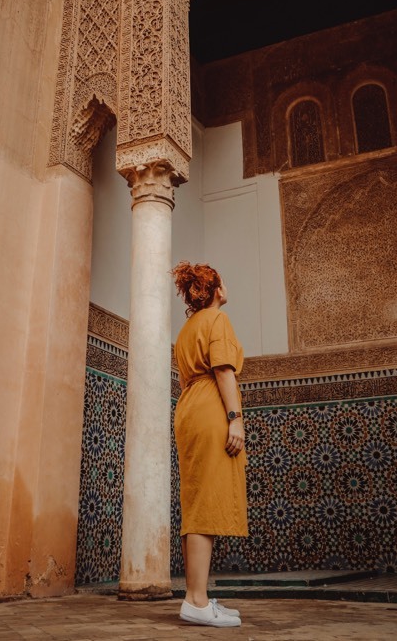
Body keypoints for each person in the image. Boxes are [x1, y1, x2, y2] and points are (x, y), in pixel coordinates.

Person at [171, 261, 248, 628]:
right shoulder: (216, 320)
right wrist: (235, 418)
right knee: (204, 506)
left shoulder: (189, 327)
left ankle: (196, 596)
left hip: (188, 409)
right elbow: (222, 370)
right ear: (216, 290)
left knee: (197, 501)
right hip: (209, 409)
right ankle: (197, 601)